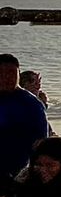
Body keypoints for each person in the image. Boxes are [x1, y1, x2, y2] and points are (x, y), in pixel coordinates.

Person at [0, 54, 47, 182]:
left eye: (11, 73)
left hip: (16, 172)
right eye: (1, 73)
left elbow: (41, 143)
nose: (6, 78)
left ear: (18, 74)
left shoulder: (32, 104)